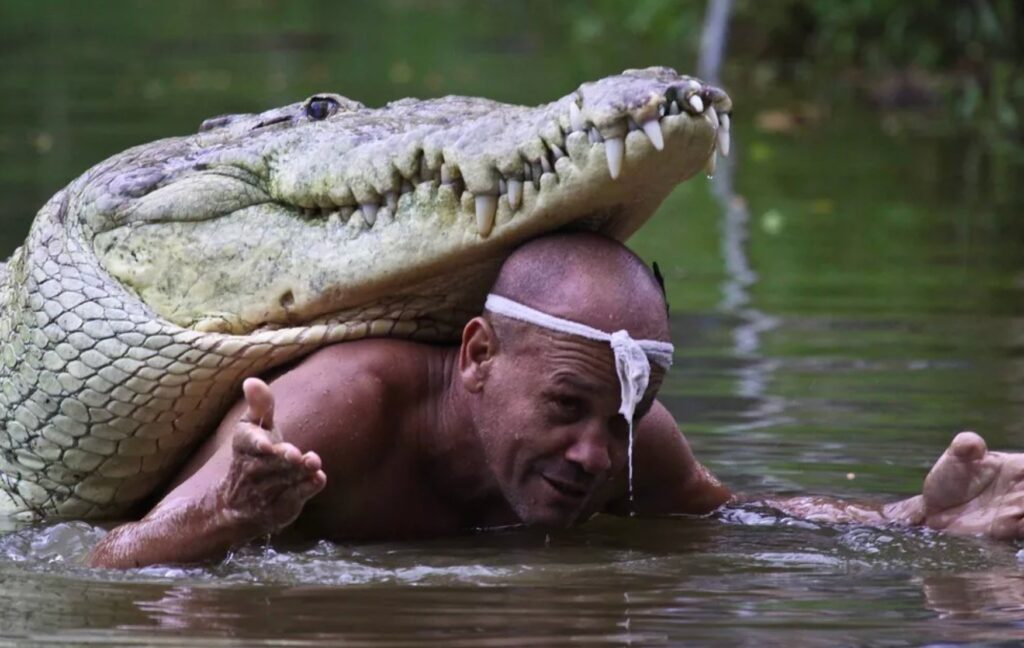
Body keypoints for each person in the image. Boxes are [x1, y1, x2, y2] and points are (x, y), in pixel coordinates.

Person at [89, 233, 1024, 568]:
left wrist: (915, 521)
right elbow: (108, 568)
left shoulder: (627, 442)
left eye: (623, 420)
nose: (593, 455)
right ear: (480, 354)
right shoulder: (342, 414)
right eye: (568, 405)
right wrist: (223, 512)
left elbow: (744, 523)